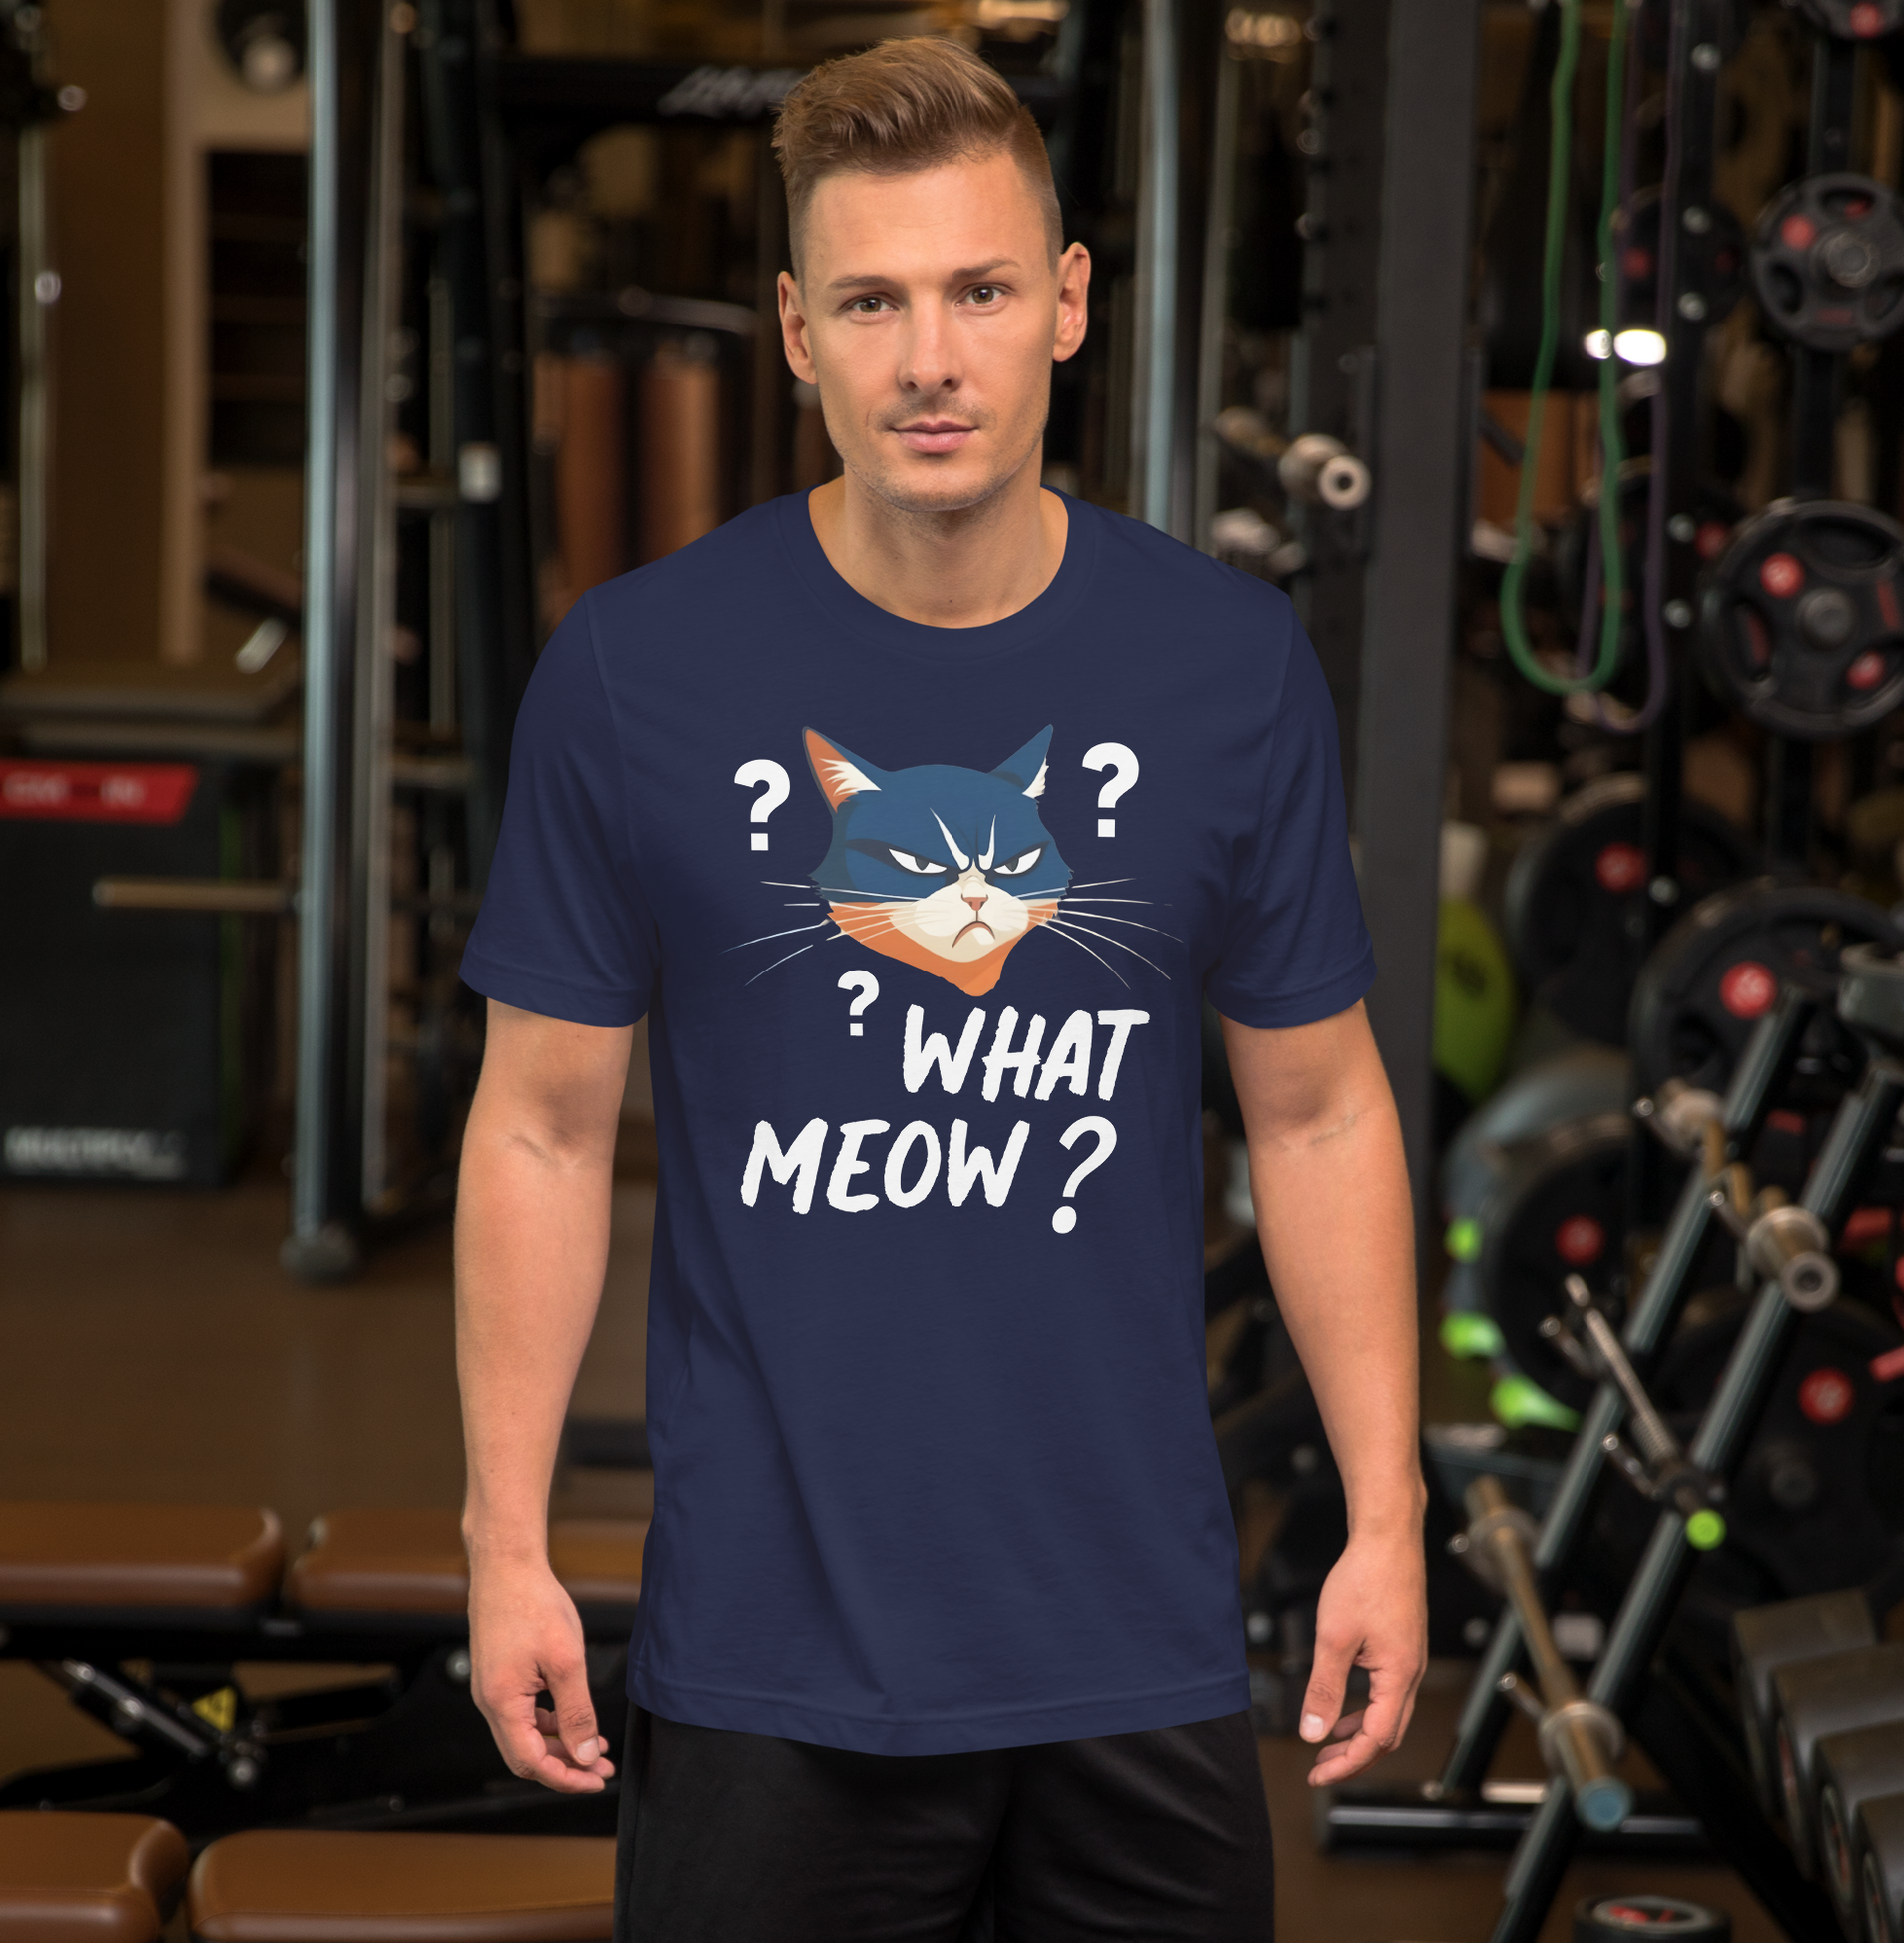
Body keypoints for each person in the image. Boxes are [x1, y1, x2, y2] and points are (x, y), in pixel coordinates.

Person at [455, 35, 1424, 1942]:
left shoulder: (1225, 666)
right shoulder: (637, 670)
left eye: (980, 289)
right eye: (874, 301)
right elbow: (543, 1127)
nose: (929, 359)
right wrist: (505, 1544)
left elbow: (1318, 1107)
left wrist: (1382, 1519)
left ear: (1065, 306)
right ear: (797, 332)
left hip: (1131, 1645)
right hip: (770, 1652)